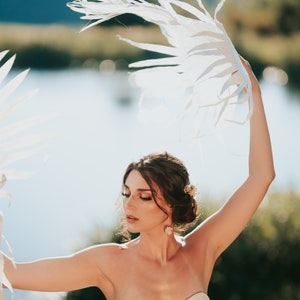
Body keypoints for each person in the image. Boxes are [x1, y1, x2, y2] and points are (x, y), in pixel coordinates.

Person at [2, 58, 275, 300]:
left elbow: (261, 177)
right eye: (126, 193)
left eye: (144, 196)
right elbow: (11, 273)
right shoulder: (107, 262)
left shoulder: (201, 248)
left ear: (171, 202)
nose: (129, 205)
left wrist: (255, 95)